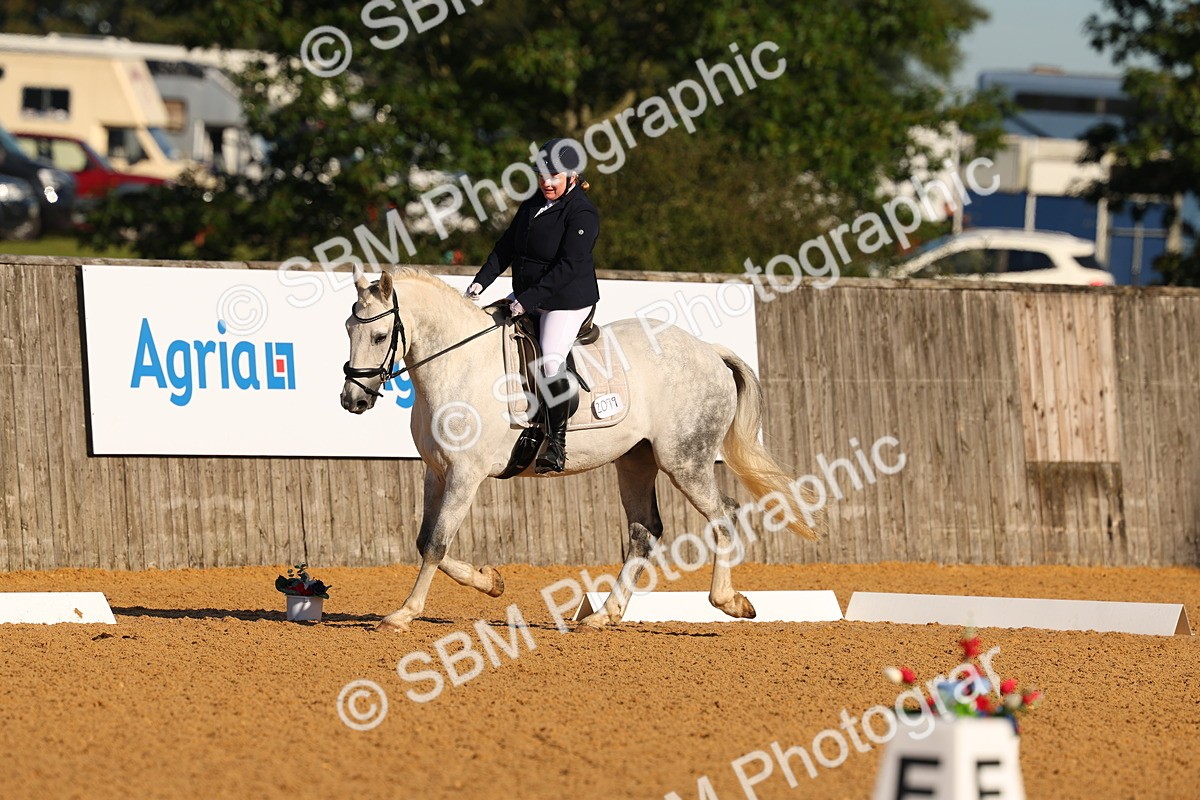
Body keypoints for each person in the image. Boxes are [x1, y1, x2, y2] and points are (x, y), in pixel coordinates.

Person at [466, 138, 600, 473]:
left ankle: (555, 443)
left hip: (565, 302)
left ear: (572, 175)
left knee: (551, 362)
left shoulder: (582, 212)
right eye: (541, 174)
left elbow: (569, 267)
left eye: (554, 175)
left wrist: (526, 300)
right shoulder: (532, 204)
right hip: (529, 297)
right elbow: (505, 247)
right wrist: (479, 283)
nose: (547, 181)